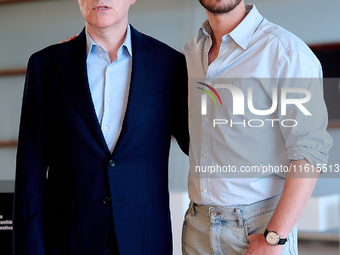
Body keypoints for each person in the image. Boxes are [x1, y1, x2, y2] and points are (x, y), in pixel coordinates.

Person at [12, 0, 189, 254]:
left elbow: (202, 147)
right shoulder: (46, 66)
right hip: (69, 241)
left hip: (145, 240)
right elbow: (30, 174)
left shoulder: (169, 64)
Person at [182, 0, 332, 254]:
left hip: (258, 228)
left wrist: (275, 237)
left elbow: (310, 153)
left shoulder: (286, 53)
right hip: (198, 227)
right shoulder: (191, 52)